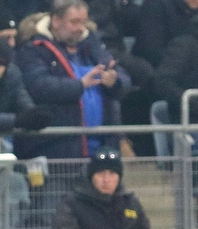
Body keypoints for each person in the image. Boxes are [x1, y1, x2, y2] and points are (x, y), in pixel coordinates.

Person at [14, 0, 129, 160]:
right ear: (55, 21)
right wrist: (80, 85)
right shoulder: (33, 49)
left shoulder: (94, 45)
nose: (80, 28)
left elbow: (122, 75)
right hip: (58, 149)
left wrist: (114, 81)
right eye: (74, 22)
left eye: (83, 22)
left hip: (101, 150)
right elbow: (38, 85)